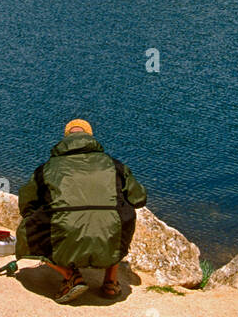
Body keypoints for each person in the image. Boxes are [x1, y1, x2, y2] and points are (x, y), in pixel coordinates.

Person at [15, 119, 147, 303]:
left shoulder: (47, 168)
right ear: (90, 137)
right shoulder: (114, 165)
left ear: (66, 138)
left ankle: (71, 276)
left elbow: (26, 204)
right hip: (109, 233)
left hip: (64, 232)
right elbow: (139, 198)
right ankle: (110, 281)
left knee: (28, 228)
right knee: (121, 215)